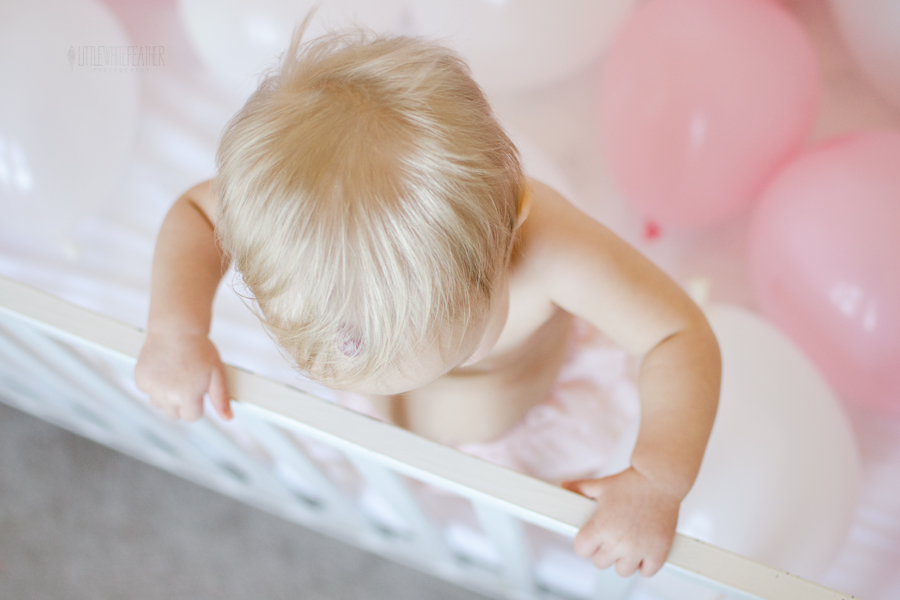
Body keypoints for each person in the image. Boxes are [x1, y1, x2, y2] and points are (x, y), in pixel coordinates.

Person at [135, 27, 721, 579]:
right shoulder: (282, 216)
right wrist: (175, 331)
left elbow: (676, 335)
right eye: (345, 348)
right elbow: (197, 212)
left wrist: (656, 480)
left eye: (438, 344)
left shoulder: (552, 253)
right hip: (408, 416)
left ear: (505, 237)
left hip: (519, 407)